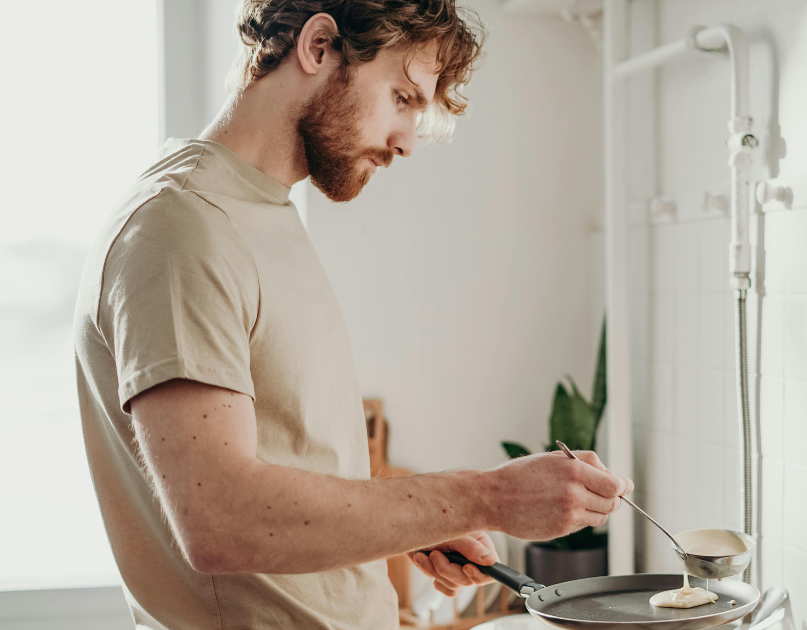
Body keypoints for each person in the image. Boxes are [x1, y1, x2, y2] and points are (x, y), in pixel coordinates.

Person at [72, 1, 634, 629]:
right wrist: (487, 497)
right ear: (318, 47)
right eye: (401, 97)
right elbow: (221, 520)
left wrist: (420, 525)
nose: (406, 143)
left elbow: (290, 456)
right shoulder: (182, 228)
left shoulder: (258, 211)